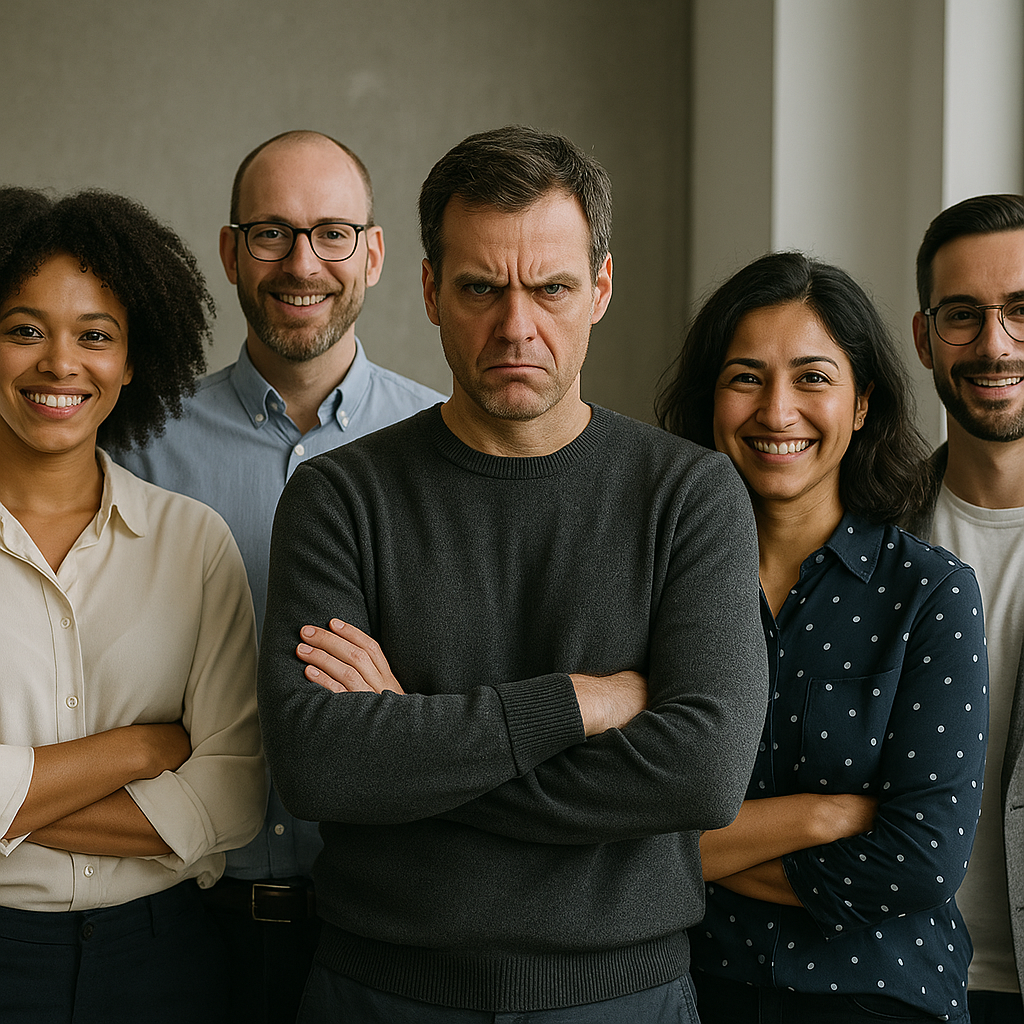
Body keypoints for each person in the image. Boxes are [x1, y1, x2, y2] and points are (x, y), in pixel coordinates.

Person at [257, 124, 769, 1022]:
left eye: (552, 288)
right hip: (378, 995)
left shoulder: (690, 494)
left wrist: (413, 749)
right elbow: (320, 767)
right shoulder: (338, 497)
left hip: (622, 999)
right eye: (481, 288)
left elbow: (703, 775)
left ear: (601, 288)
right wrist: (573, 703)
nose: (516, 326)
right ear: (428, 290)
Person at [117, 129, 445, 1022]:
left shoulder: (447, 446)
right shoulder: (137, 446)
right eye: (272, 233)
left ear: (374, 255)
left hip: (379, 928)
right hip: (172, 921)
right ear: (229, 251)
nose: (303, 262)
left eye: (333, 233)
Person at [657, 251, 988, 1023]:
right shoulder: (653, 585)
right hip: (689, 992)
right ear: (712, 397)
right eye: (746, 376)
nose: (777, 411)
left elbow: (920, 860)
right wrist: (820, 816)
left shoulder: (930, 592)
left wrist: (690, 854)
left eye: (812, 377)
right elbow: (605, 823)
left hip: (881, 996)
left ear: (863, 402)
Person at [0, 187, 265, 1023]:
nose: (60, 363)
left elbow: (233, 799)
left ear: (133, 358)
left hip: (165, 961)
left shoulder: (194, 544)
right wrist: (140, 749)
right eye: (24, 329)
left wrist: (15, 803)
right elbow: (188, 782)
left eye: (96, 335)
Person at [903, 194, 1024, 1024]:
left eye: (1022, 312)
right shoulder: (862, 535)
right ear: (922, 339)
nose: (994, 344)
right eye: (962, 315)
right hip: (896, 980)